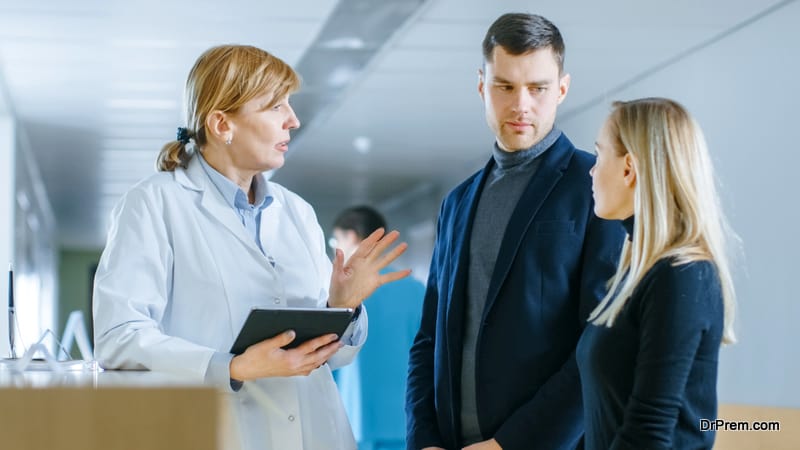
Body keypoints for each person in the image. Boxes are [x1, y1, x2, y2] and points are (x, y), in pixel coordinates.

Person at [92, 44, 411, 450]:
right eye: (276, 106)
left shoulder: (296, 211)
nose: (293, 120)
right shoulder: (153, 205)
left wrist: (341, 308)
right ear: (222, 124)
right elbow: (119, 337)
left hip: (315, 433)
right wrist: (231, 368)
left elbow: (333, 358)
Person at [405, 13, 626, 450]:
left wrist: (512, 444)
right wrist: (423, 436)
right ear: (482, 86)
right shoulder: (457, 201)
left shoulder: (595, 186)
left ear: (561, 89)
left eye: (538, 88)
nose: (520, 104)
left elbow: (601, 343)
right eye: (505, 86)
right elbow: (429, 338)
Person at [577, 97, 737, 449]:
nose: (592, 169)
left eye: (600, 154)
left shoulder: (682, 274)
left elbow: (647, 434)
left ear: (628, 168)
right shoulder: (639, 273)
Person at [330, 206, 426, 450]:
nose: (334, 248)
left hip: (353, 417)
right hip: (406, 419)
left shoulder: (341, 296)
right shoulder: (416, 289)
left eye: (336, 240)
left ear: (351, 237)